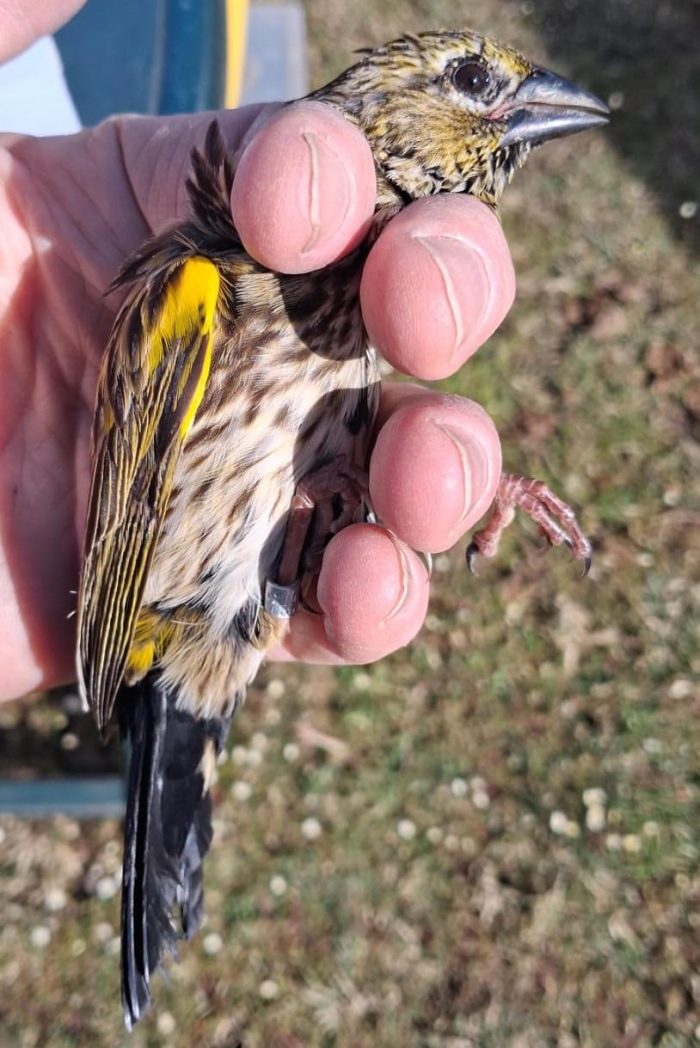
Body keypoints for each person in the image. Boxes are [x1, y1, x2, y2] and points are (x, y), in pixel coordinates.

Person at [0, 1, 513, 703]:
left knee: (422, 474)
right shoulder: (206, 287)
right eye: (476, 86)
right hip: (168, 623)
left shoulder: (358, 296)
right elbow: (133, 508)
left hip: (225, 614)